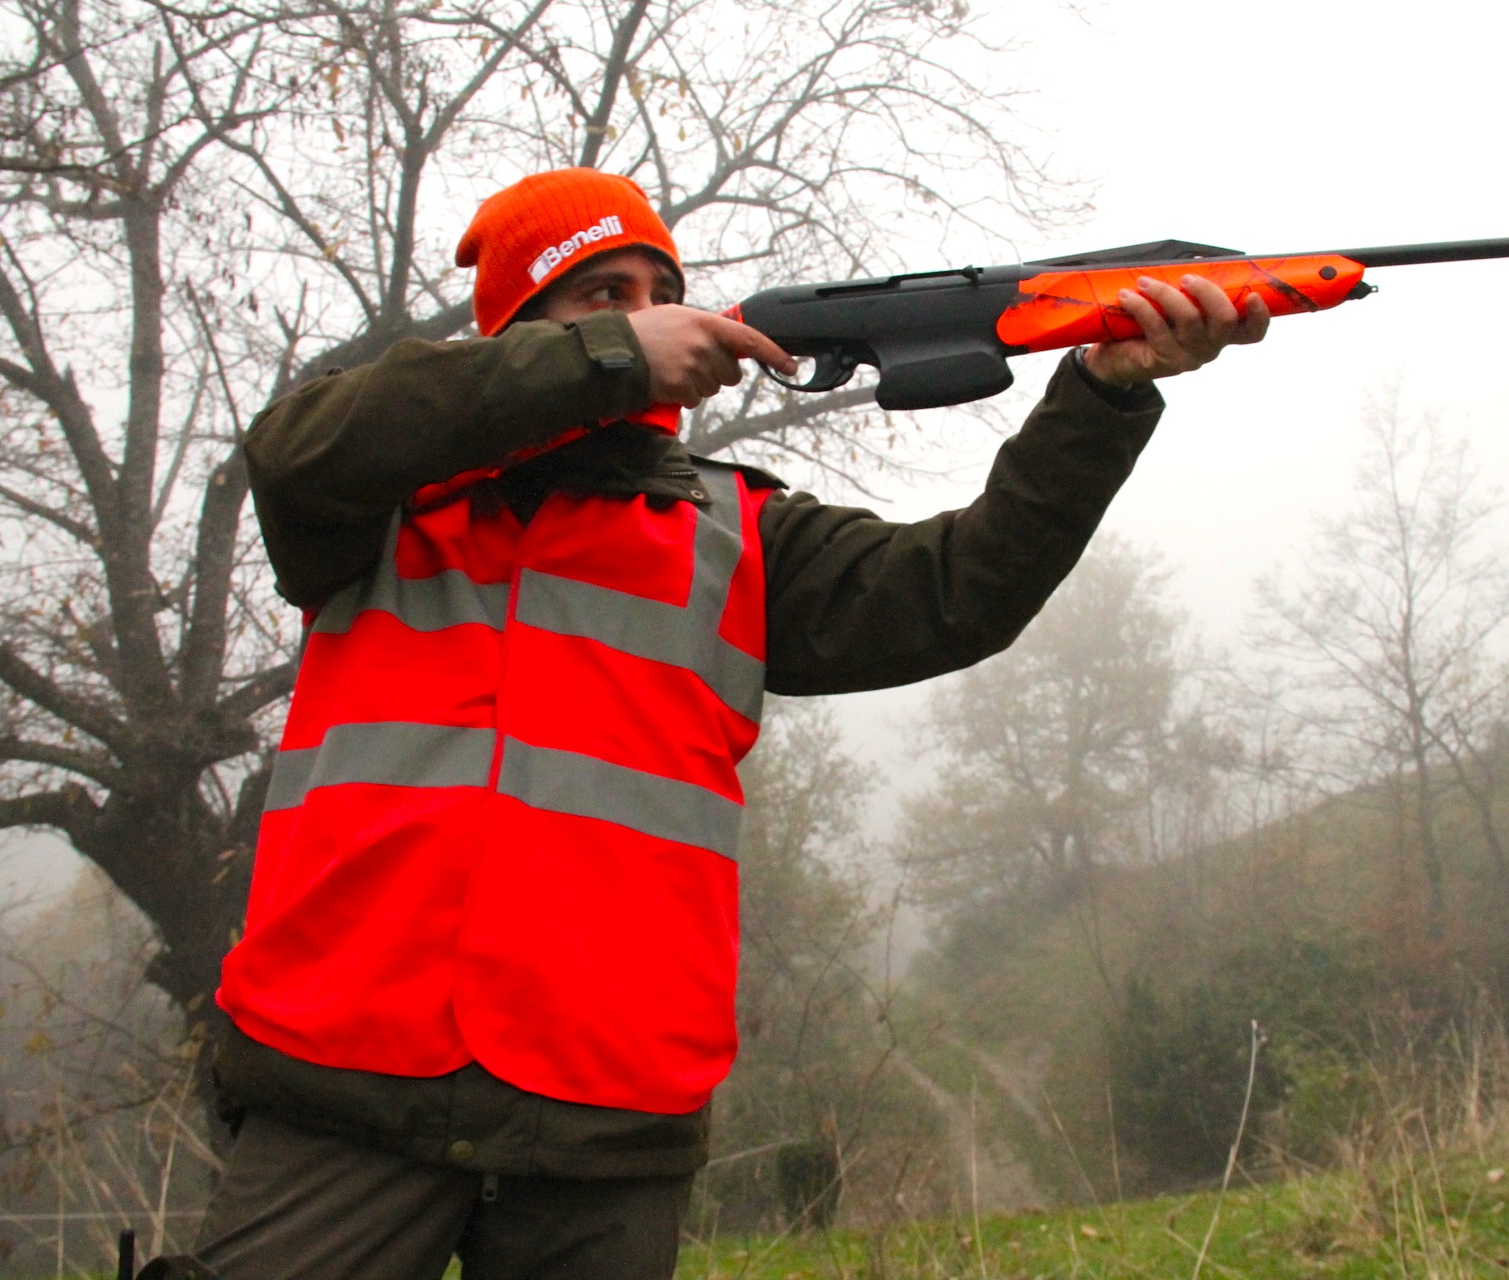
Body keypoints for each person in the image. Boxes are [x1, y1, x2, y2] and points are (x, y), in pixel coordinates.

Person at [185, 168, 1268, 1280]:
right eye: (602, 294)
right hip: (339, 1080)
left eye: (661, 292)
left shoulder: (737, 531)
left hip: (609, 1111)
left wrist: (1102, 394)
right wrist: (612, 359)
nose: (649, 314)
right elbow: (291, 447)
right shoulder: (380, 493)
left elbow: (962, 588)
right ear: (519, 330)